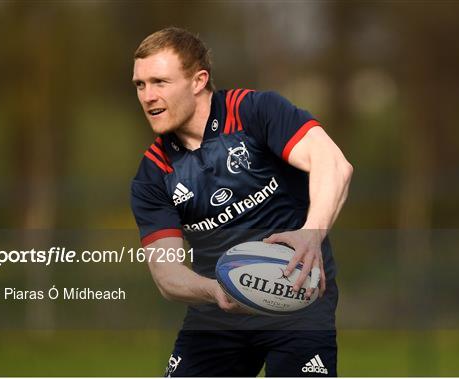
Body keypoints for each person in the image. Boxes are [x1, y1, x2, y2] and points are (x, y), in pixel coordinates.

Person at [130, 27, 352, 377]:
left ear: (198, 80)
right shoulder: (153, 174)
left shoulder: (254, 112)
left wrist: (311, 234)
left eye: (160, 82)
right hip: (216, 315)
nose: (148, 96)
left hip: (296, 298)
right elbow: (166, 273)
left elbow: (334, 164)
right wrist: (217, 289)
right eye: (140, 85)